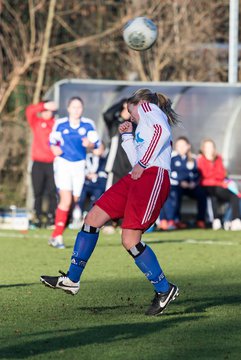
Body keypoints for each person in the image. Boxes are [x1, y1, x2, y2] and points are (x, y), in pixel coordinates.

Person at [40, 88, 180, 316]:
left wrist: (143, 163)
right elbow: (137, 158)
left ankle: (164, 289)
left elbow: (161, 133)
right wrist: (127, 137)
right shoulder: (143, 120)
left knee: (130, 240)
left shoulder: (147, 107)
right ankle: (72, 279)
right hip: (138, 176)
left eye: (128, 111)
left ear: (135, 104)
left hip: (153, 177)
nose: (129, 117)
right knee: (92, 218)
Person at [48, 96, 101, 249]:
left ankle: (55, 233)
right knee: (65, 200)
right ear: (68, 108)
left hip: (79, 165)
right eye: (74, 107)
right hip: (63, 164)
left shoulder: (88, 124)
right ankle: (58, 237)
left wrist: (89, 144)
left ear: (82, 109)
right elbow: (52, 141)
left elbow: (96, 144)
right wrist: (54, 148)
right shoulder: (61, 124)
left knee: (74, 200)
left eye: (79, 107)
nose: (76, 110)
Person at [158, 136, 207, 230]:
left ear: (188, 146)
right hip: (176, 185)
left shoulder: (193, 159)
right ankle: (170, 220)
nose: (181, 148)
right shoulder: (172, 158)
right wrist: (181, 182)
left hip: (190, 186)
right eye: (178, 146)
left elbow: (197, 174)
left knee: (202, 194)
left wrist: (193, 183)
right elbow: (170, 173)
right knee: (172, 193)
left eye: (183, 145)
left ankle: (201, 220)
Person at [197, 138, 241, 231]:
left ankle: (235, 220)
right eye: (207, 147)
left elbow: (221, 174)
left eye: (211, 146)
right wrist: (217, 180)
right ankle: (216, 220)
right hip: (206, 187)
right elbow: (205, 176)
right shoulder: (200, 160)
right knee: (214, 194)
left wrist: (217, 179)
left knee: (235, 195)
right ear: (203, 148)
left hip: (218, 186)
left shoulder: (219, 158)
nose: (210, 149)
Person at [26, 101, 57, 228]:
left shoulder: (56, 124)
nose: (46, 113)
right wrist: (44, 105)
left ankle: (51, 217)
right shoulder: (36, 122)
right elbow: (29, 110)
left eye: (49, 110)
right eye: (44, 110)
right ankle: (38, 217)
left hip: (53, 164)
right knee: (37, 192)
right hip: (38, 163)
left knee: (52, 191)